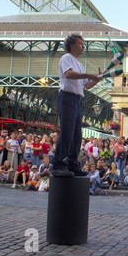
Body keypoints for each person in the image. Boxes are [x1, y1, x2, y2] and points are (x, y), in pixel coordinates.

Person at [52, 34, 103, 177]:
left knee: (76, 134)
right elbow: (68, 74)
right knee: (67, 132)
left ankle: (72, 163)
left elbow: (87, 85)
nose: (83, 46)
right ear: (72, 45)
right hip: (67, 98)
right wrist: (89, 74)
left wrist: (98, 79)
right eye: (80, 43)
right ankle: (58, 164)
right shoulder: (66, 58)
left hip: (76, 100)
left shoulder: (79, 64)